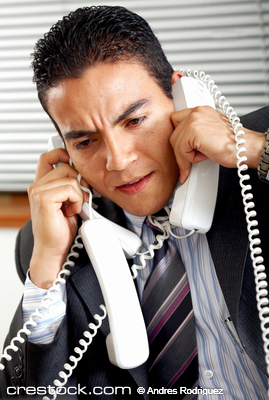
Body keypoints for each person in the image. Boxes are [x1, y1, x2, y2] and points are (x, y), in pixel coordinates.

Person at [1, 5, 269, 399]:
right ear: (63, 149)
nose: (118, 160)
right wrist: (46, 268)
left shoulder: (255, 152)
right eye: (85, 141)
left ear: (179, 94)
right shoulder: (49, 239)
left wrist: (257, 151)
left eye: (134, 120)